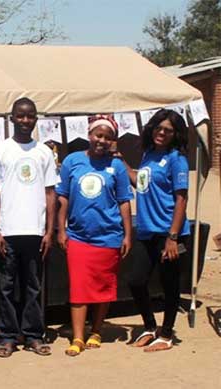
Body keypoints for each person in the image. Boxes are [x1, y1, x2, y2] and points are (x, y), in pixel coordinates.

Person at [56, 114, 133, 357]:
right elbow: (63, 197)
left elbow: (124, 202)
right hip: (78, 236)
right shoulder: (72, 161)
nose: (102, 140)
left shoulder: (117, 166)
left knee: (102, 285)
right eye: (98, 135)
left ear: (113, 141)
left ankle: (97, 330)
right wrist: (61, 228)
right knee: (78, 287)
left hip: (109, 236)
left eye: (107, 137)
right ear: (89, 135)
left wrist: (128, 235)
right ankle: (78, 337)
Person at [0, 97, 58, 358]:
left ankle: (33, 335)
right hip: (7, 232)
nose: (25, 121)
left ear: (36, 119)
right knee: (5, 287)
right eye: (21, 116)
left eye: (30, 116)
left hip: (36, 232)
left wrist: (49, 231)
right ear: (12, 118)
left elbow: (51, 194)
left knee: (33, 286)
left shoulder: (44, 152)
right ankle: (6, 337)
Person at [122, 109, 190, 352]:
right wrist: (122, 162)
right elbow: (140, 181)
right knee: (135, 280)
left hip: (169, 233)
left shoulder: (177, 159)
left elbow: (181, 199)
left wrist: (173, 237)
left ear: (175, 134)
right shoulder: (148, 154)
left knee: (169, 284)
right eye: (159, 128)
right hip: (147, 230)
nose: (162, 133)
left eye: (168, 130)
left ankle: (167, 334)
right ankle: (150, 327)